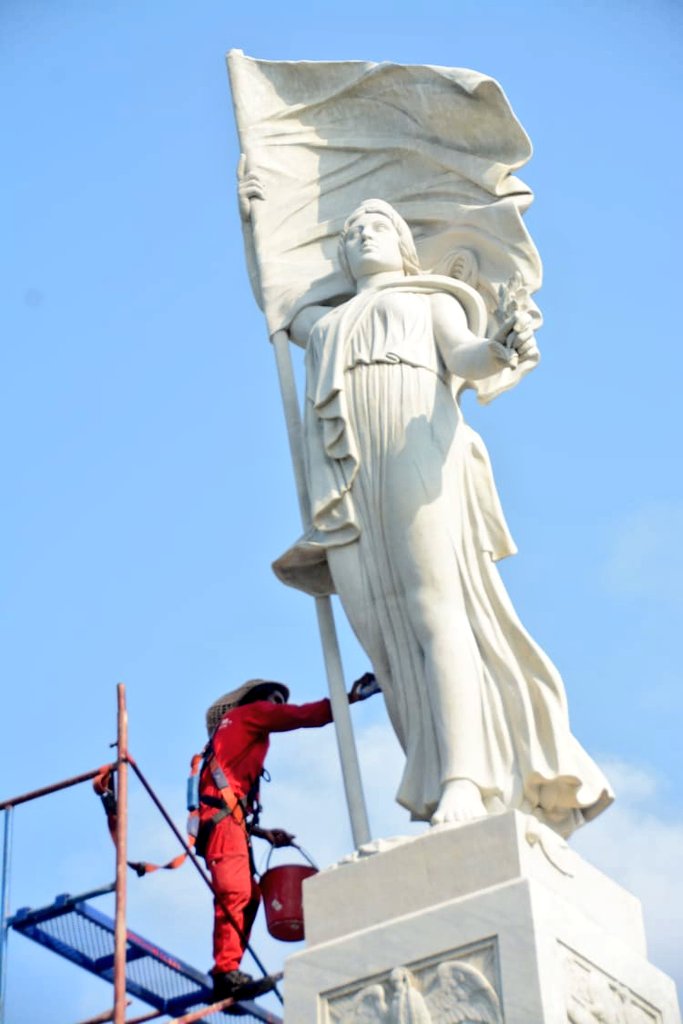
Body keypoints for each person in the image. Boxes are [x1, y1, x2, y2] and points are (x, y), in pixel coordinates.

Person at [273, 198, 613, 838]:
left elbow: (469, 357)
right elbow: (285, 309)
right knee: (384, 634)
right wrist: (266, 213)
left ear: (404, 245)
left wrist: (504, 344)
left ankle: (466, 778)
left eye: (377, 225)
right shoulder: (328, 324)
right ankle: (434, 773)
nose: (362, 232)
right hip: (350, 479)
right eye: (350, 232)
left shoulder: (432, 300)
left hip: (415, 447)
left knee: (434, 610)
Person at [199, 673, 375, 1003]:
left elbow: (223, 795)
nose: (277, 705)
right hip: (222, 823)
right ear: (255, 700)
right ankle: (225, 974)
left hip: (226, 822)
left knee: (249, 897)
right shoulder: (252, 713)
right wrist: (346, 699)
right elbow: (301, 716)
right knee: (235, 892)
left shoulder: (235, 735)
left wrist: (263, 833)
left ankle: (228, 973)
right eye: (273, 699)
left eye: (280, 700)